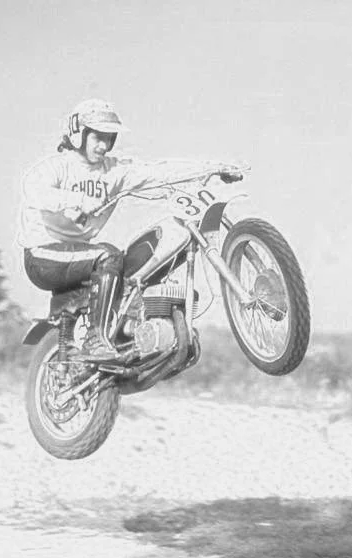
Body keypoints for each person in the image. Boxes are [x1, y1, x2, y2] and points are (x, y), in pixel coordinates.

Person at [17, 99, 240, 361]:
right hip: (43, 256)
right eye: (97, 137)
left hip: (82, 256)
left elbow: (158, 171)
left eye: (109, 138)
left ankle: (131, 332)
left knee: (132, 264)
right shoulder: (55, 167)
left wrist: (212, 169)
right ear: (79, 134)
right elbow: (34, 192)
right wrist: (76, 201)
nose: (103, 145)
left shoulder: (114, 171)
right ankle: (95, 340)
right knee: (108, 255)